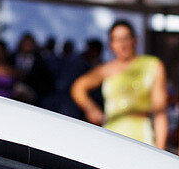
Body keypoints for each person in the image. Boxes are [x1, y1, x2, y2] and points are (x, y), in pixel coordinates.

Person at [72, 20, 168, 149]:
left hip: (141, 136)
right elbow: (78, 87)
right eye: (117, 40)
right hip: (112, 133)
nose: (123, 45)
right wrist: (91, 108)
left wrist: (160, 150)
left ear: (135, 40)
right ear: (111, 45)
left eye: (126, 38)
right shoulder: (107, 69)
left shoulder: (152, 65)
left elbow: (160, 113)